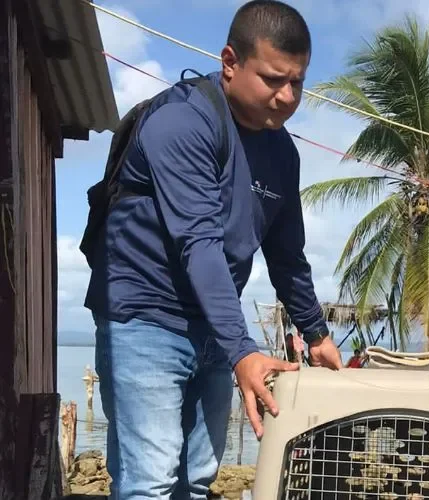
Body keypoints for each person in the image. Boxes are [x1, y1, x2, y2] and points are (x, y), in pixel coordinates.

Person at [83, 1, 342, 498]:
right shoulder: (182, 122)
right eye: (272, 79)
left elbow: (287, 256)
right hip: (144, 318)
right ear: (229, 61)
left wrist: (316, 333)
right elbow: (199, 244)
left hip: (214, 330)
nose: (287, 96)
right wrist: (245, 350)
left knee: (198, 480)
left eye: (298, 82)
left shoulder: (282, 152)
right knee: (151, 482)